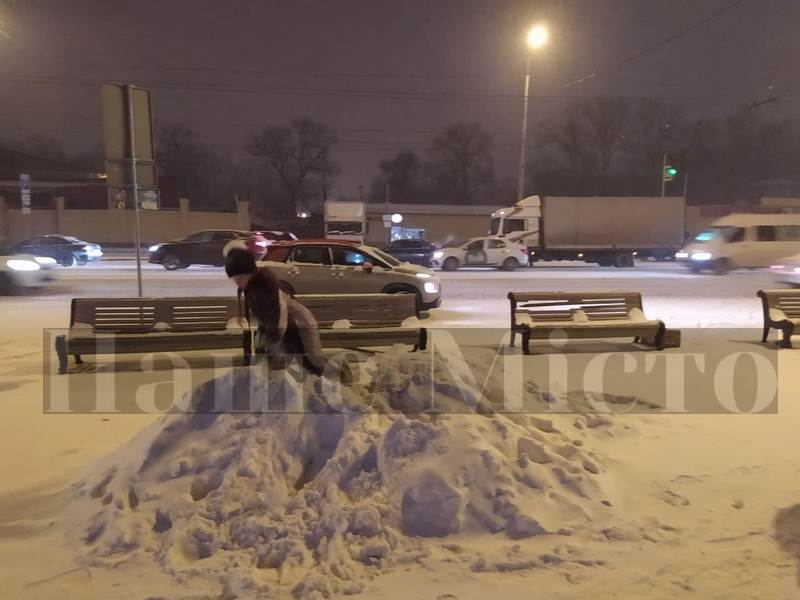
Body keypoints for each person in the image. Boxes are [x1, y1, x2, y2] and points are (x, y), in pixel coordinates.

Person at [225, 247, 327, 376]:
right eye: (235, 280)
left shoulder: (269, 288)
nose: (237, 283)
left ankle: (339, 377)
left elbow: (280, 314)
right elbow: (264, 318)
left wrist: (272, 340)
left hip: (301, 326)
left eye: (239, 279)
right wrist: (263, 340)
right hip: (284, 328)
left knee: (313, 363)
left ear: (250, 273)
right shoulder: (251, 288)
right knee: (277, 364)